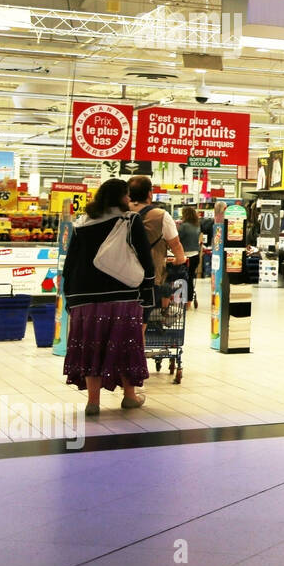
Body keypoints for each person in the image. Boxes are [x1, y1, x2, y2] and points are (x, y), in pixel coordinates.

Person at [61, 178, 154, 414]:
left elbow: (70, 263)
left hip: (84, 296)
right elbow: (145, 257)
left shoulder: (82, 223)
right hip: (122, 295)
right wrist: (148, 288)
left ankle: (93, 402)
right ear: (122, 197)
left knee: (92, 346)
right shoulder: (129, 220)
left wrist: (69, 295)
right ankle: (130, 396)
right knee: (124, 344)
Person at [126, 176, 186, 311]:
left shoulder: (120, 211)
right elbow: (175, 244)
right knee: (143, 316)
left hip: (118, 273)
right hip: (148, 275)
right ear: (149, 193)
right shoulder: (161, 215)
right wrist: (180, 260)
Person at [178, 205, 202, 309]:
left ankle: (182, 300)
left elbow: (177, 240)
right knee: (190, 278)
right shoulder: (197, 226)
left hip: (185, 256)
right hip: (195, 256)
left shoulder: (183, 226)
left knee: (182, 279)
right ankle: (188, 302)